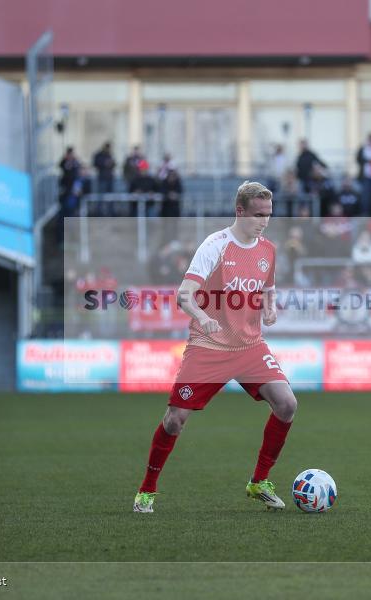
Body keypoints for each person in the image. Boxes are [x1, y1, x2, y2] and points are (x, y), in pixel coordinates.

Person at [133, 181, 297, 513]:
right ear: (240, 211)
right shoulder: (215, 245)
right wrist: (202, 317)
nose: (264, 222)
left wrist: (269, 306)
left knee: (287, 404)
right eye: (257, 215)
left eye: (268, 215)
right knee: (175, 419)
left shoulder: (268, 249)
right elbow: (184, 293)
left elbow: (267, 288)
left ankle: (258, 482)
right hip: (209, 345)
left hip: (250, 346)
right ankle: (147, 490)